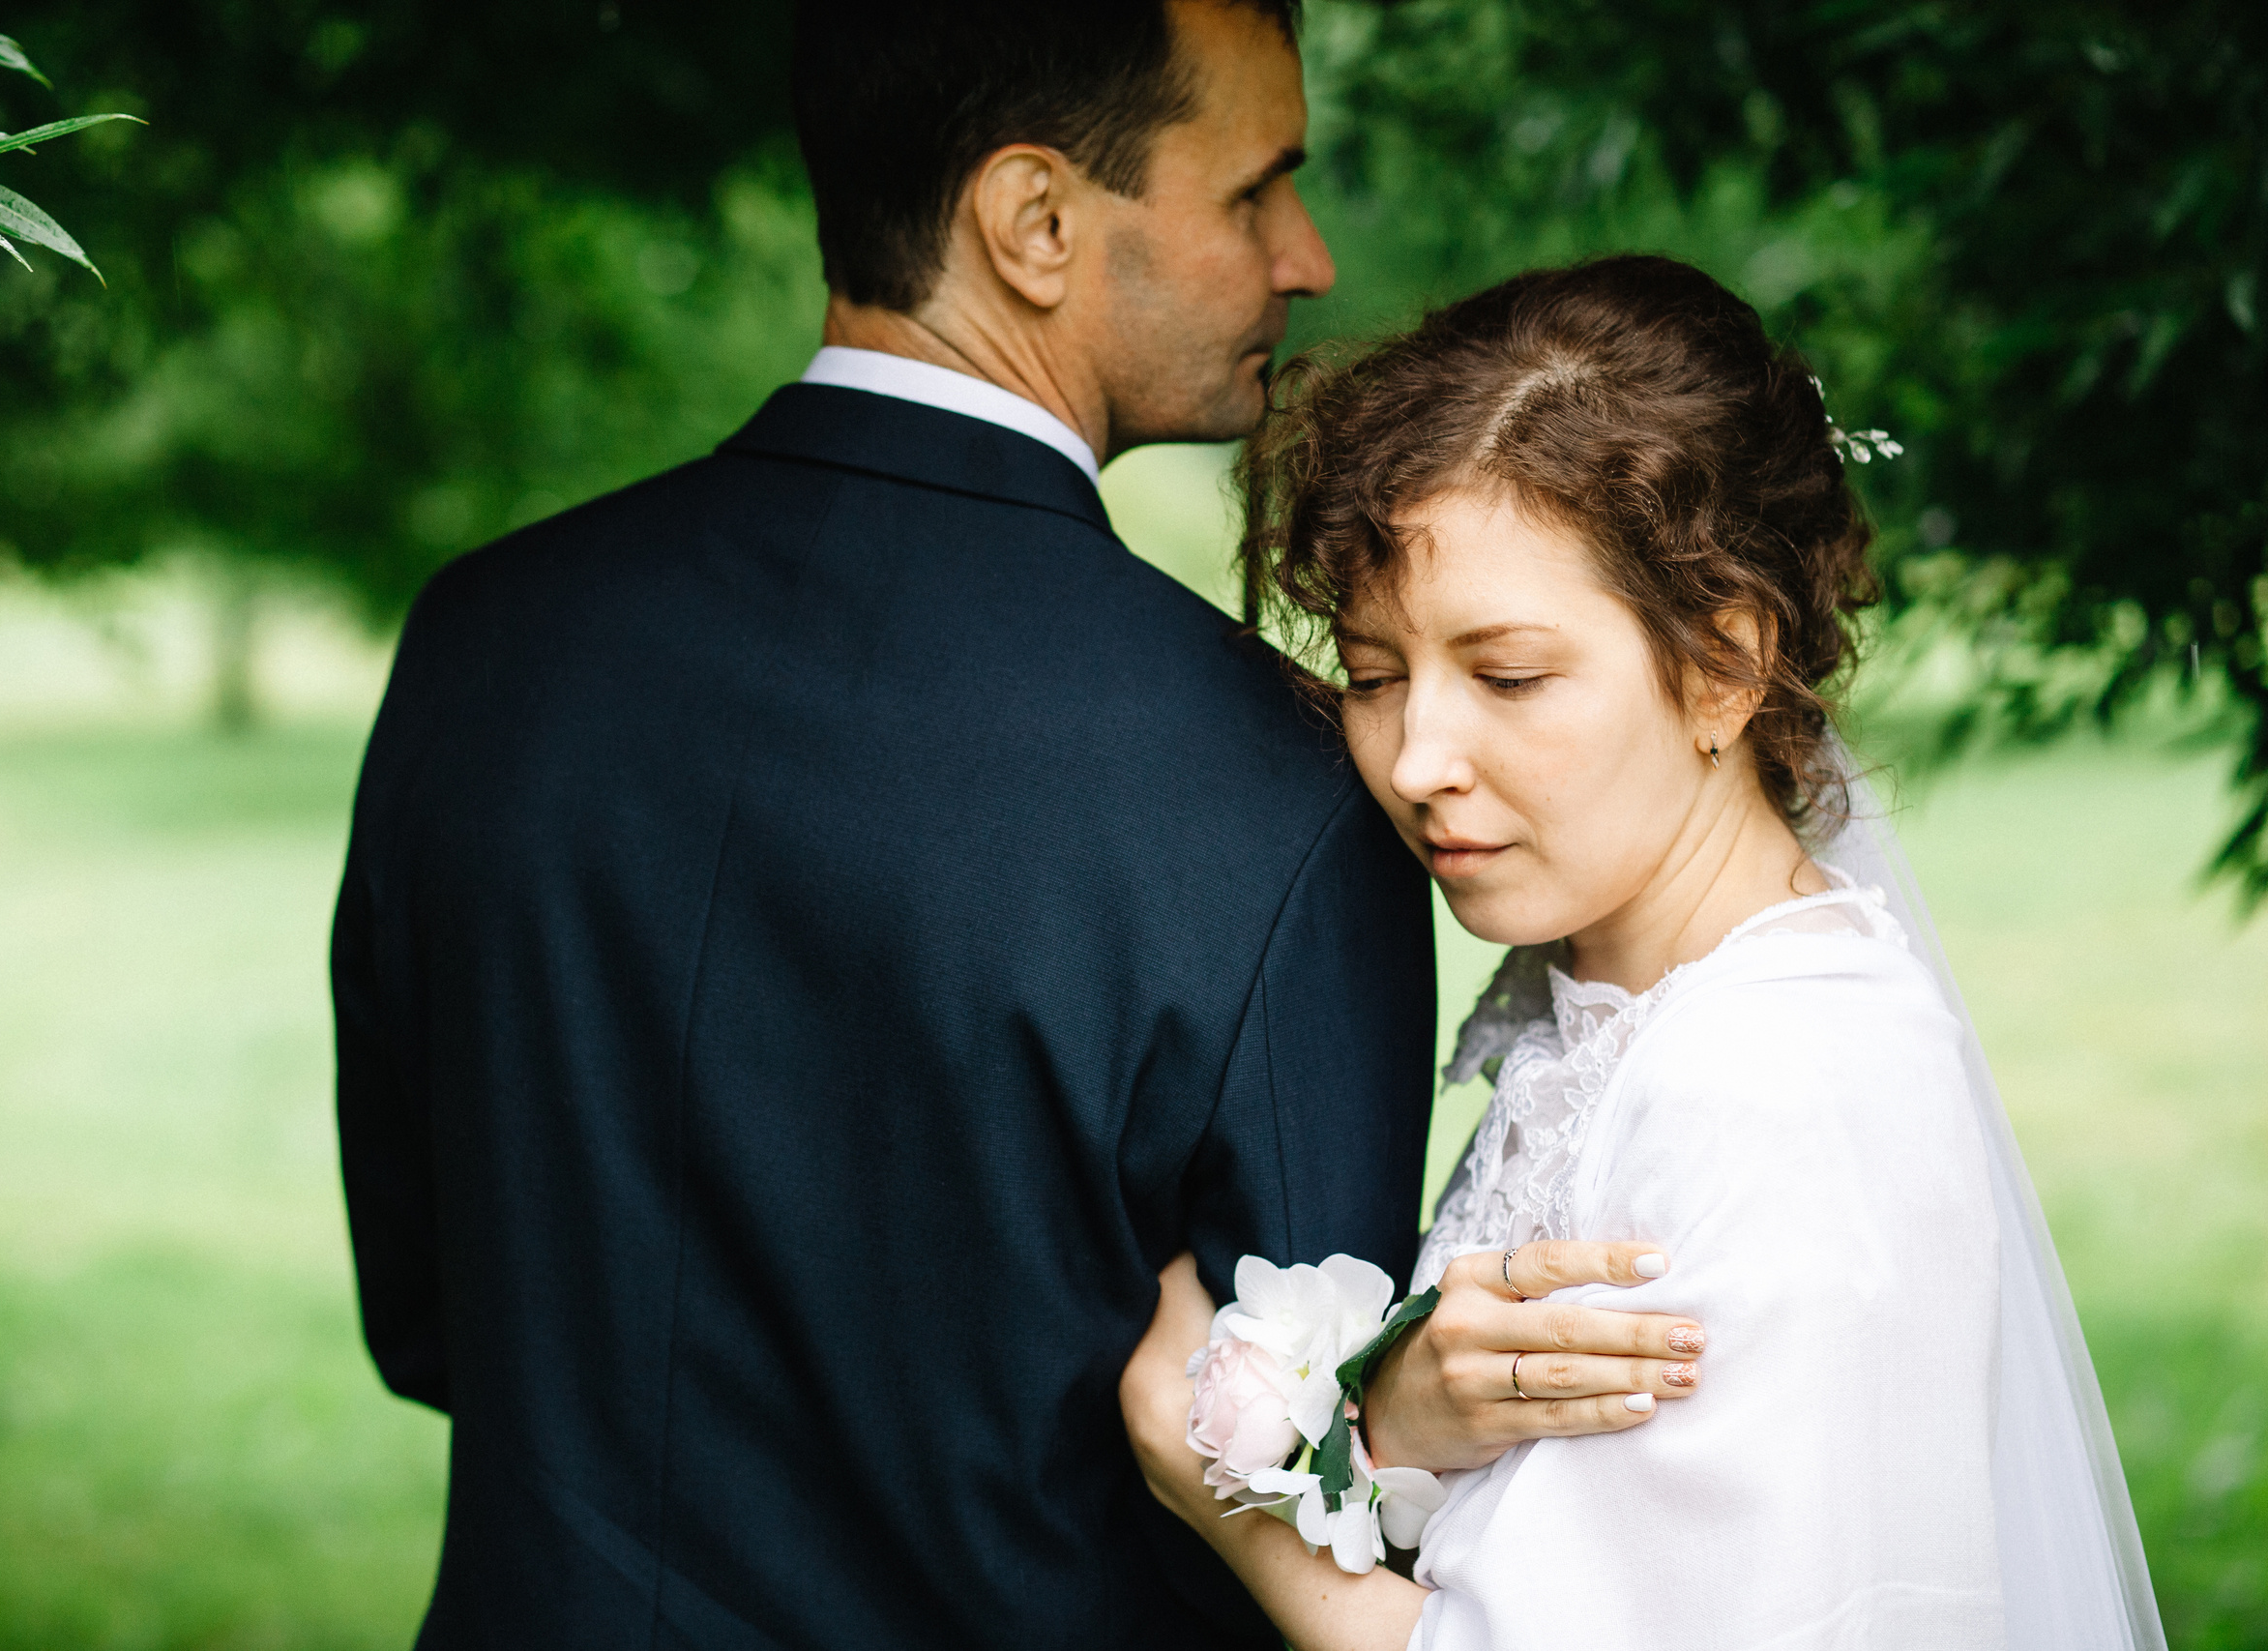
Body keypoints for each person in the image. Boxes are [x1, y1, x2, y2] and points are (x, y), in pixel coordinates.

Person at [334, 5, 1689, 1645]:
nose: (1308, 255)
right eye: (1257, 190)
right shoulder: (1271, 777)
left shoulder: (489, 639)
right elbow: (1304, 1458)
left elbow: (427, 1320)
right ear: (1035, 221)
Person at [1118, 255, 2165, 1650]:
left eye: (1507, 677)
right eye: (1373, 675)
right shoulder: (1616, 1006)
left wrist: (1217, 1483)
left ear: (1724, 666)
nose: (1417, 757)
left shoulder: (1779, 1088)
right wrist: (1391, 1415)